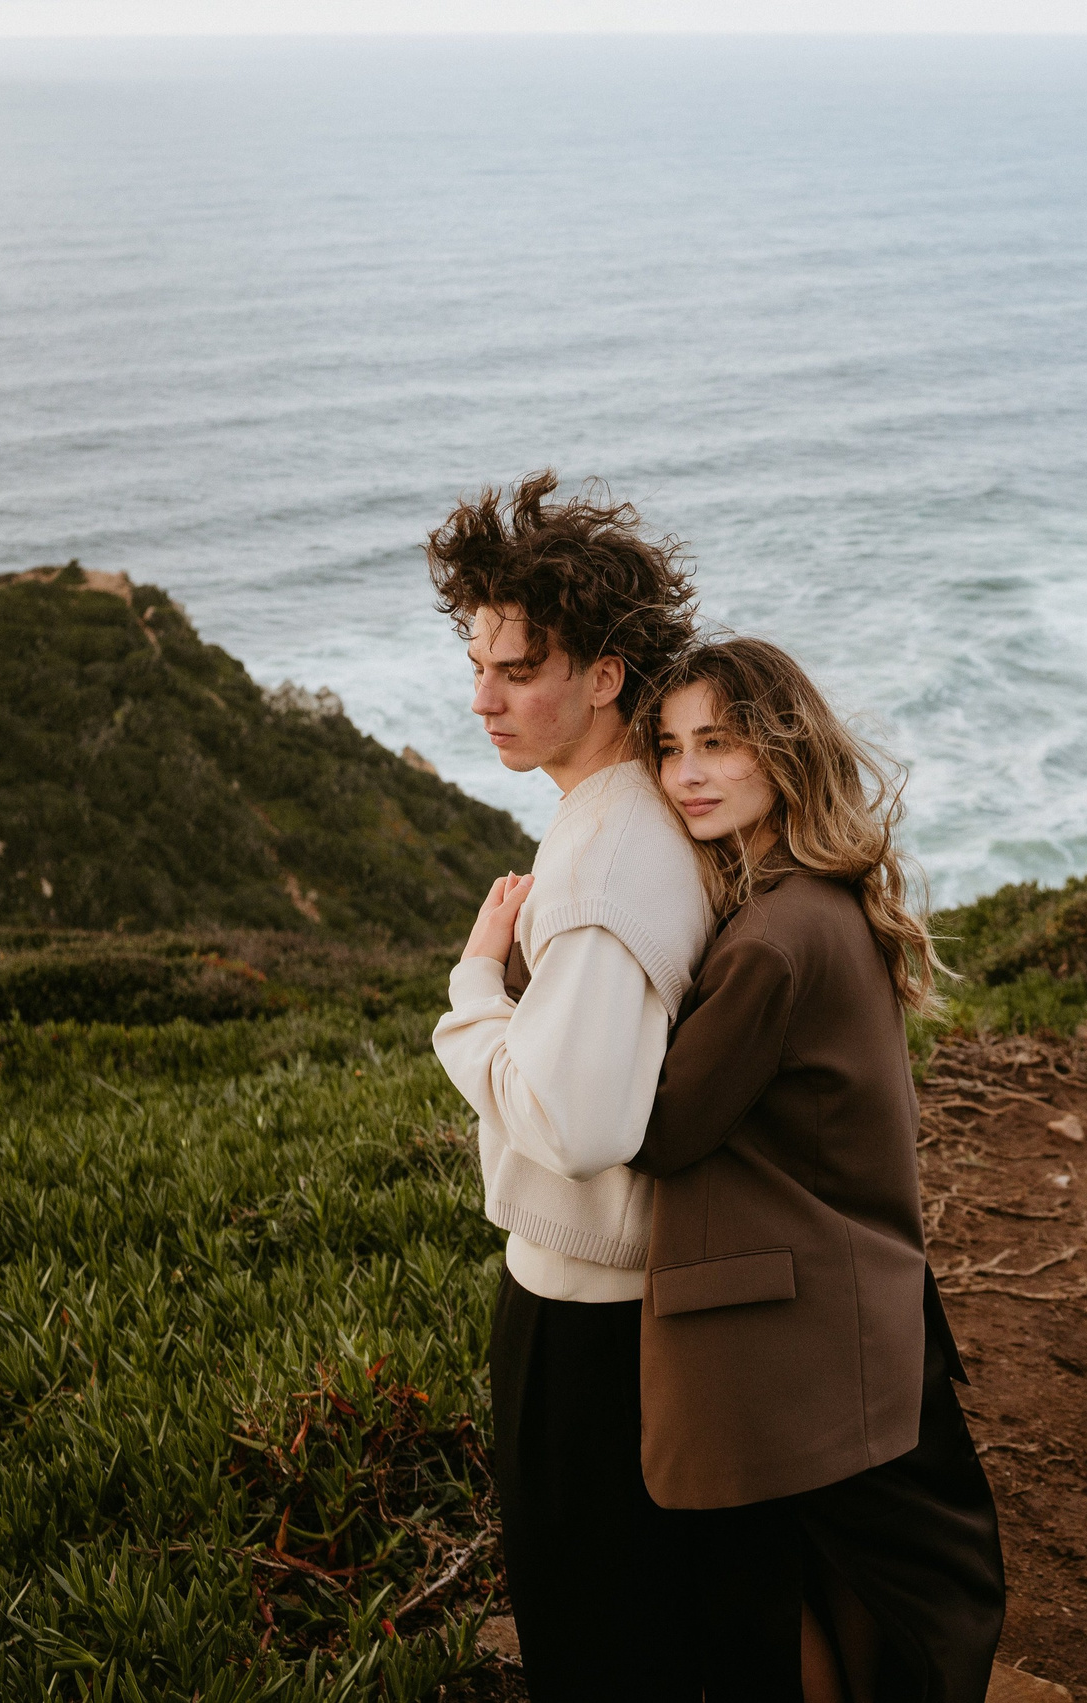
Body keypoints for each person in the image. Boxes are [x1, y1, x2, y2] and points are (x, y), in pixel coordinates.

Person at [639, 637, 1005, 1702]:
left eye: (718, 743)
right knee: (853, 1596)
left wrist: (522, 974)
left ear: (783, 751)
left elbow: (662, 1126)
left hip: (789, 1344)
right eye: (669, 749)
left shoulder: (772, 938)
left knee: (778, 1606)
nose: (688, 772)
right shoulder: (817, 895)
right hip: (859, 1310)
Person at [425, 472, 714, 1702]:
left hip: (591, 1320)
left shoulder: (605, 860)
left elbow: (581, 1123)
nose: (484, 697)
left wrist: (474, 990)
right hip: (623, 1301)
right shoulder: (622, 811)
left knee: (597, 1641)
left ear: (605, 672)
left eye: (520, 665)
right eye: (477, 660)